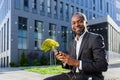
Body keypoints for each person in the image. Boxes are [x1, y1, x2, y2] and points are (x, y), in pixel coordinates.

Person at [44, 12, 108, 80]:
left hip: (90, 76)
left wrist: (77, 62)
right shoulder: (72, 43)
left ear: (86, 23)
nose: (76, 25)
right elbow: (71, 66)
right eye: (73, 23)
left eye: (79, 21)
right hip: (73, 75)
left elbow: (103, 65)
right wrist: (65, 60)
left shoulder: (95, 38)